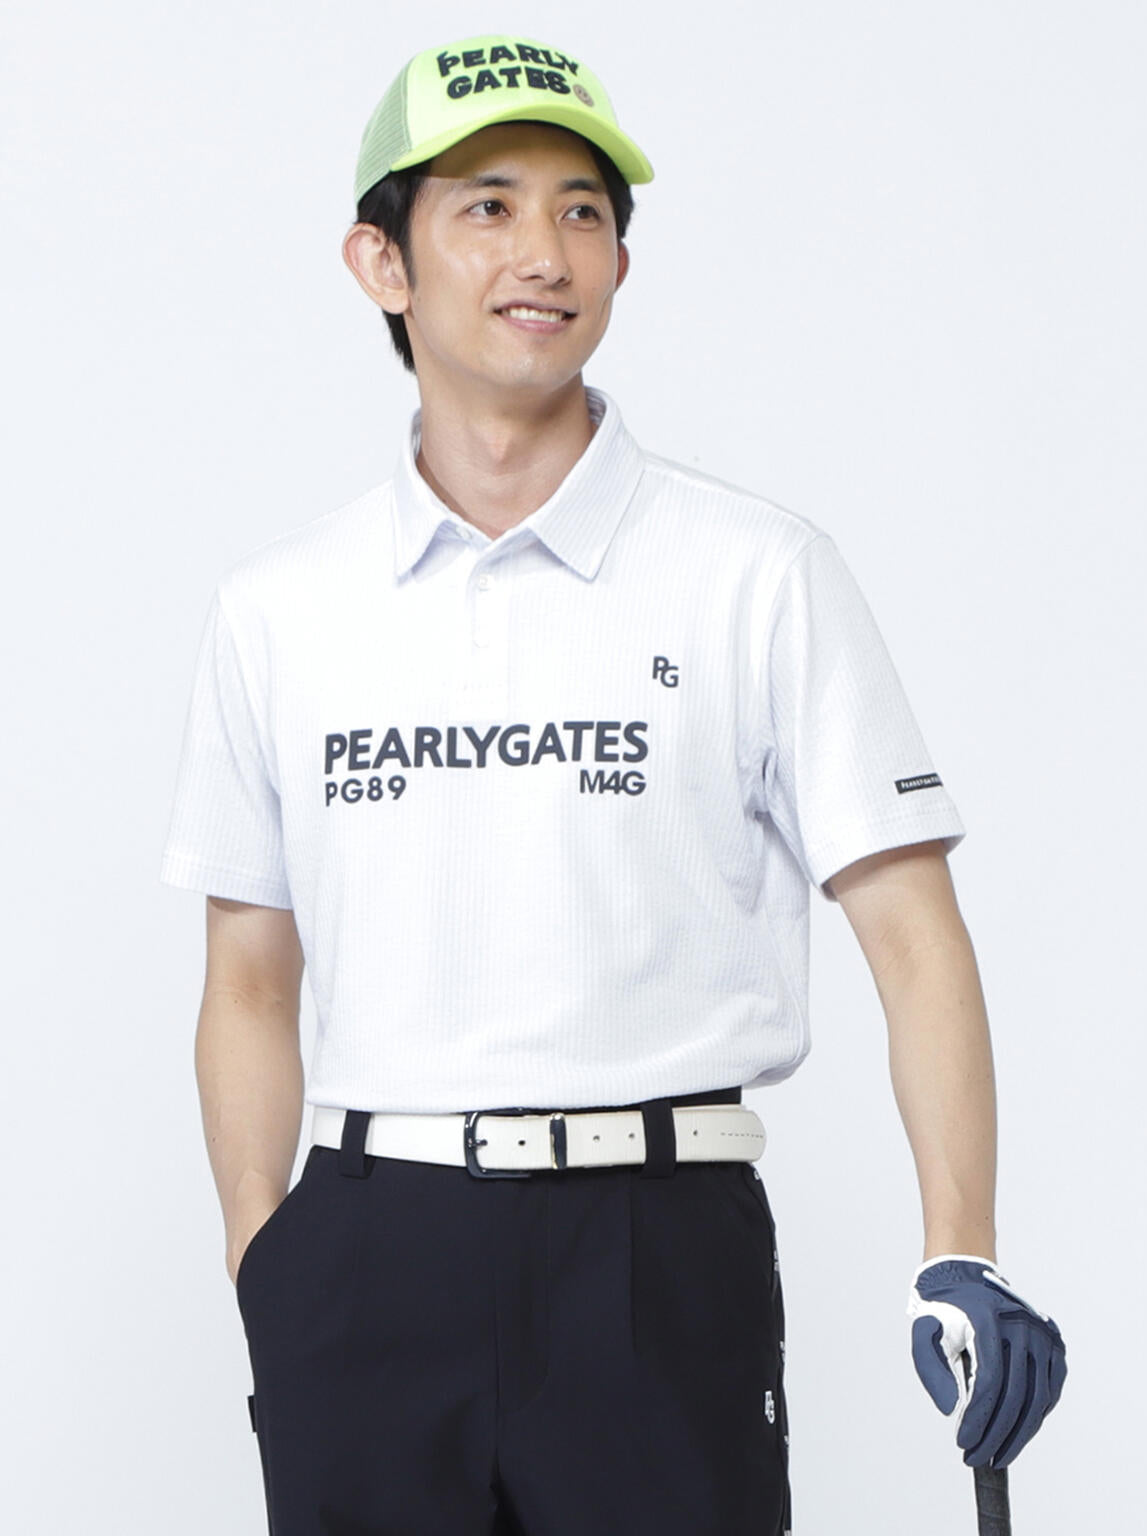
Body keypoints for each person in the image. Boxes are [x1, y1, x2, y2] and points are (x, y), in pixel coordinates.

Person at [159, 31, 1066, 1535]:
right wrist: (274, 1272)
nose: (546, 252)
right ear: (381, 263)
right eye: (489, 206)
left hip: (655, 1247)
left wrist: (957, 1248)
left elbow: (915, 936)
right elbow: (248, 980)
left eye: (583, 211)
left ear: (622, 265)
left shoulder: (757, 574)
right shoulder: (280, 612)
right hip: (369, 1258)